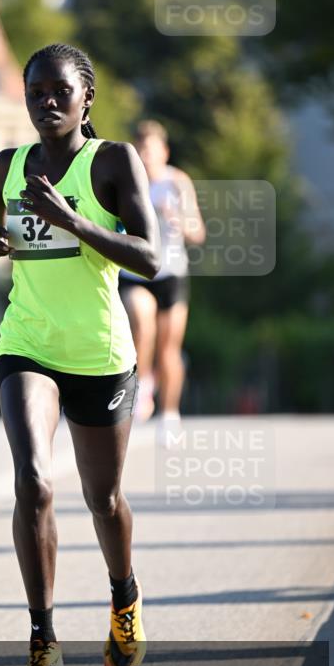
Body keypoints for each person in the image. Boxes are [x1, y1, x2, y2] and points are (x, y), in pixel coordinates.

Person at [0, 43, 160, 666]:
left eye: (59, 91)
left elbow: (149, 257)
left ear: (87, 99)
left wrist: (72, 220)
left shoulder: (112, 161)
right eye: (35, 93)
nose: (46, 102)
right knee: (33, 480)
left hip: (100, 355)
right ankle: (42, 638)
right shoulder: (9, 163)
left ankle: (123, 595)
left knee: (103, 499)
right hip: (28, 343)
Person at [118, 121, 205, 438]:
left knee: (170, 349)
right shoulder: (125, 181)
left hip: (171, 273)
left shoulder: (177, 182)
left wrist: (179, 220)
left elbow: (198, 232)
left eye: (151, 151)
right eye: (141, 150)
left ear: (164, 153)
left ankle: (169, 414)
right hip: (135, 272)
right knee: (142, 319)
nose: (146, 157)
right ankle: (144, 383)